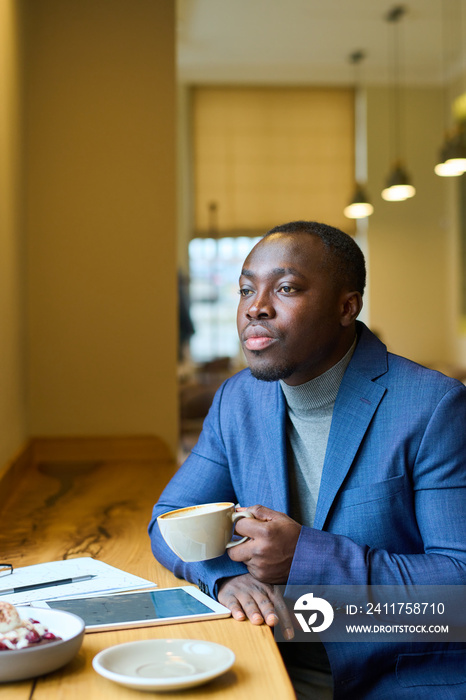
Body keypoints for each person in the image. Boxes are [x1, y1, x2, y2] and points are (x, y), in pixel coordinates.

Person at [149, 221, 466, 699]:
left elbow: (458, 593)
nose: (255, 307)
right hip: (265, 662)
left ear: (347, 307)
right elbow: (167, 519)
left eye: (286, 288)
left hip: (394, 678)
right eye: (245, 290)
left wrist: (306, 558)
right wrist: (224, 579)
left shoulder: (432, 406)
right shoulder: (238, 400)